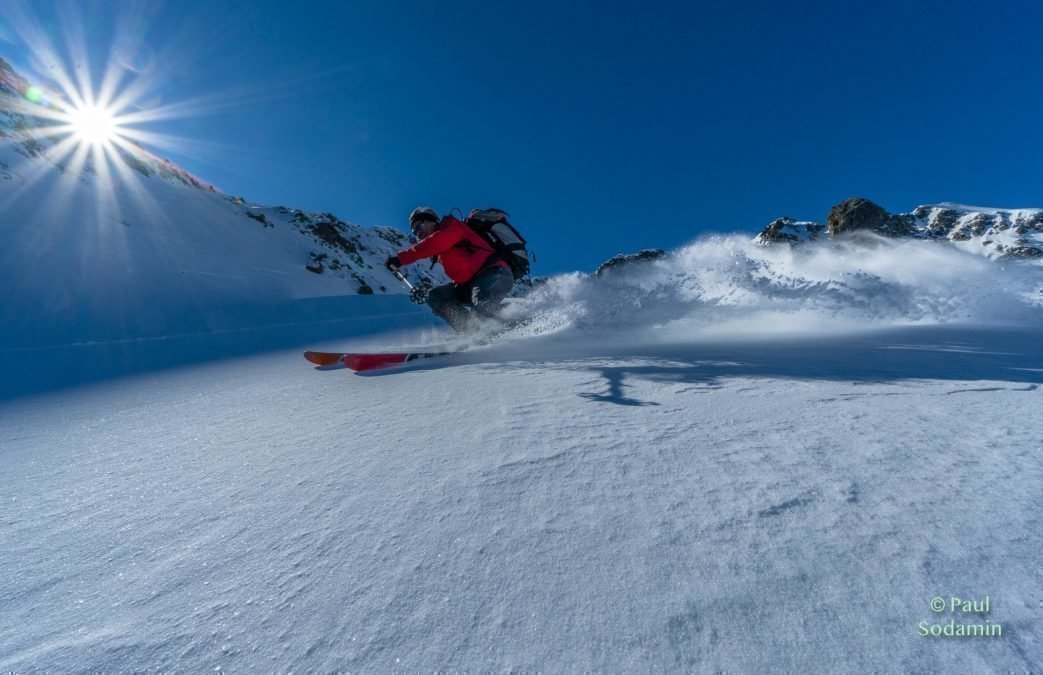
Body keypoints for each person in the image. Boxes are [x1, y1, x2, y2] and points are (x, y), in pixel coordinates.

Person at [385, 206, 515, 331]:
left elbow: (434, 243)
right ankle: (471, 332)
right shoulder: (440, 253)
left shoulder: (451, 227)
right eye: (414, 232)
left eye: (419, 226)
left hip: (494, 272)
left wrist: (400, 259)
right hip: (469, 285)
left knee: (481, 305)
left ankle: (513, 326)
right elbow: (463, 273)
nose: (418, 233)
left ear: (432, 221)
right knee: (434, 296)